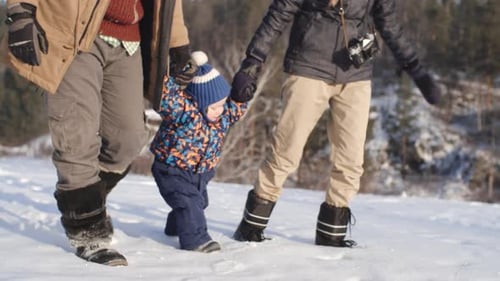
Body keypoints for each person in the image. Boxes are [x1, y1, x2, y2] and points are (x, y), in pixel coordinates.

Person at [230, 0, 442, 247]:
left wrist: (416, 69)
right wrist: (252, 62)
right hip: (308, 67)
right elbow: (279, 13)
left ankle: (331, 237)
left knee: (351, 162)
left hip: (356, 74)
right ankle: (250, 229)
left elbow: (389, 23)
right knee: (285, 152)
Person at [4, 0, 193, 266]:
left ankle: (86, 199)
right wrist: (21, 12)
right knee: (75, 133)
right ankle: (87, 230)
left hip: (129, 40)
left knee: (128, 138)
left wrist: (178, 45)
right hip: (72, 33)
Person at [150, 51, 250, 253]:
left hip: (200, 173)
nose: (219, 110)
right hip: (172, 170)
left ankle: (176, 227)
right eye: (214, 107)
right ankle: (196, 240)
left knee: (199, 203)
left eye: (222, 105)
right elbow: (167, 97)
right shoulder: (185, 112)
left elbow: (235, 110)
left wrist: (241, 95)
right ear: (199, 102)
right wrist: (177, 75)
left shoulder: (222, 116)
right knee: (189, 202)